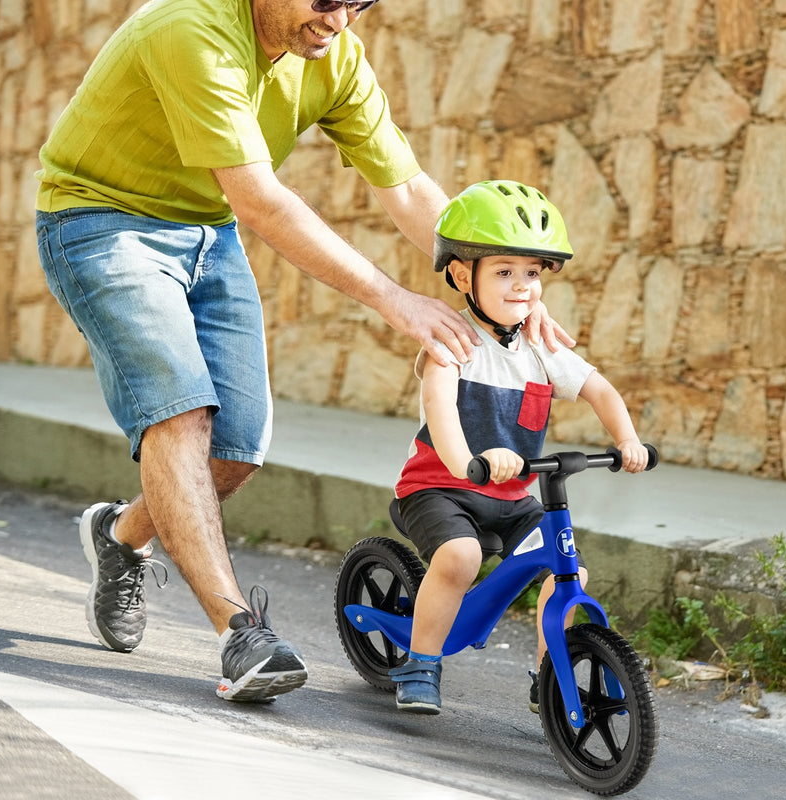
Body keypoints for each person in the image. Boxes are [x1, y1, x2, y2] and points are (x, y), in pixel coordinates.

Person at [33, 0, 572, 703]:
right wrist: (391, 297)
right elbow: (261, 201)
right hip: (100, 220)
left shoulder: (334, 55)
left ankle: (121, 536)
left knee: (235, 450)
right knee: (183, 412)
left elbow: (407, 189)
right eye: (327, 0)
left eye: (360, 3)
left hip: (206, 231)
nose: (341, 20)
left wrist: (502, 283)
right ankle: (239, 634)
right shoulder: (190, 30)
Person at [390, 180, 649, 714]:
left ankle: (549, 678)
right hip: (440, 487)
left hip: (510, 494)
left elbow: (598, 389)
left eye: (531, 273)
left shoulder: (540, 346)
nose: (521, 286)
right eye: (504, 272)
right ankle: (421, 662)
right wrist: (467, 462)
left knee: (568, 569)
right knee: (459, 557)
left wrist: (625, 441)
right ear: (464, 275)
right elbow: (439, 409)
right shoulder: (451, 341)